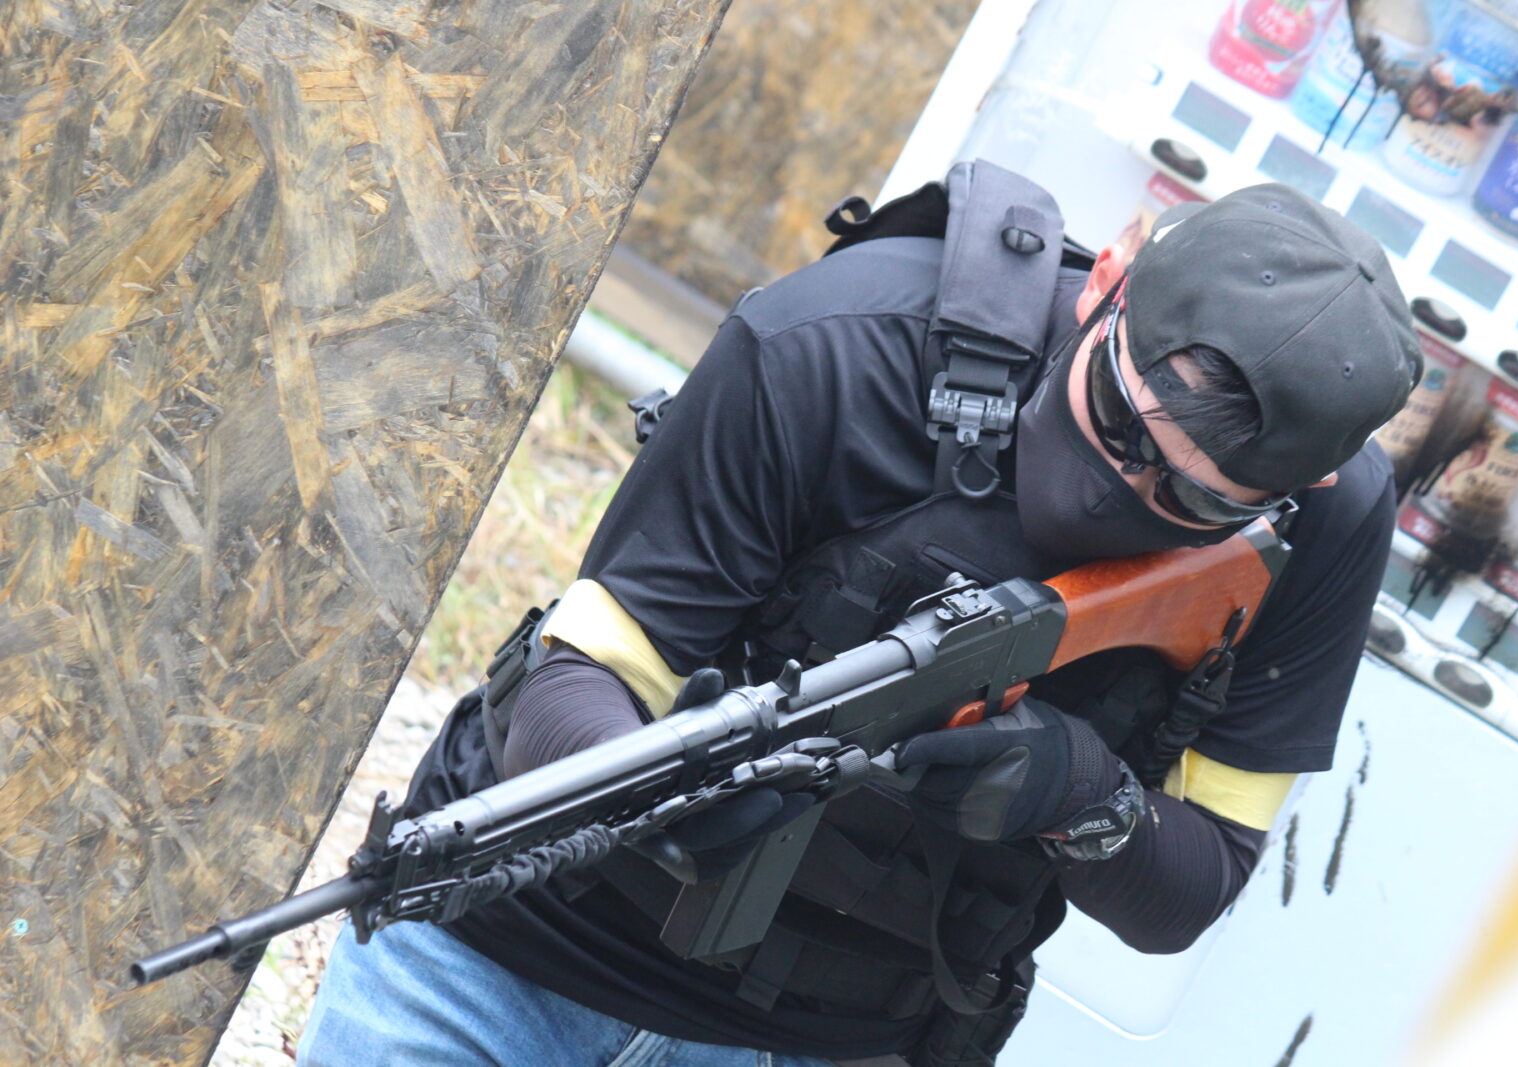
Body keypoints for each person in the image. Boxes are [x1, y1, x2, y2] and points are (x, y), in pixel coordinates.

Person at [299, 175, 1420, 1066]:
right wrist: (657, 798)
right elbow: (568, 682)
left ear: (1301, 488)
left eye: (1196, 500)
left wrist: (1076, 793)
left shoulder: (1323, 529)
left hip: (831, 1034)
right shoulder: (838, 341)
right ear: (1109, 281)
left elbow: (1190, 886)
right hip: (506, 963)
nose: (1126, 486)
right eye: (1121, 417)